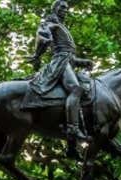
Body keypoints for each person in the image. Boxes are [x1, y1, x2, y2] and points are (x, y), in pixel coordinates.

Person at [27, 0, 94, 154]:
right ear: (55, 9)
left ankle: (71, 147)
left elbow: (70, 55)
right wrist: (37, 53)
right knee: (76, 89)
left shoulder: (62, 27)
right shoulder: (52, 23)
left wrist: (83, 62)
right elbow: (43, 35)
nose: (65, 10)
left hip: (67, 62)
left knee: (85, 89)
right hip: (60, 63)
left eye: (66, 8)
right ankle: (73, 129)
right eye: (62, 7)